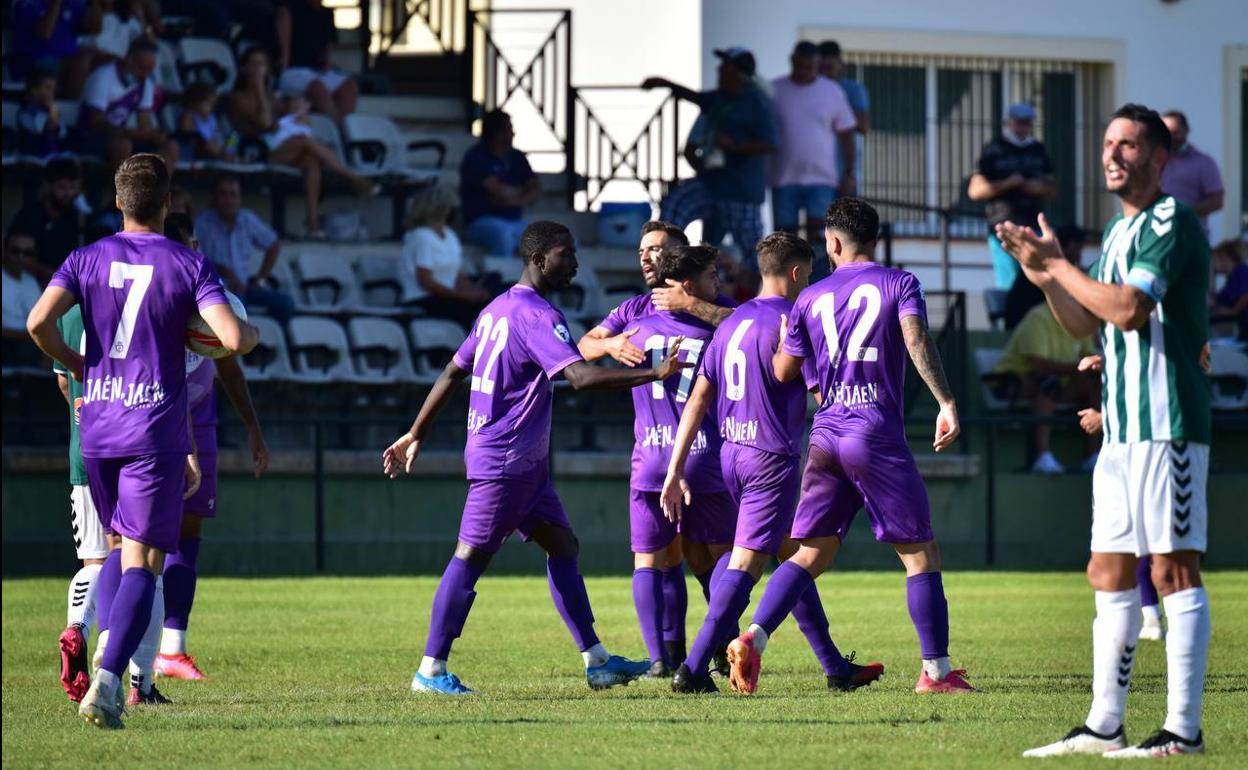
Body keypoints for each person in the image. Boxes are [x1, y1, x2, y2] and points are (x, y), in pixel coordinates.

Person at [381, 221, 691, 695]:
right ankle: (430, 669)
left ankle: (598, 661)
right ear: (540, 258)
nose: (575, 264)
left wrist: (415, 432)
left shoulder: (496, 309)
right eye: (567, 255)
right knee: (469, 558)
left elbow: (452, 370)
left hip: (524, 465)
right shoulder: (538, 316)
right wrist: (656, 372)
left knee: (563, 547)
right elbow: (582, 379)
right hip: (505, 460)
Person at [1000, 103, 1212, 758]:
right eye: (1108, 144)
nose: (1113, 154)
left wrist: (1060, 266)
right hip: (1120, 432)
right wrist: (1044, 275)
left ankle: (1183, 730)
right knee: (1108, 571)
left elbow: (1127, 309)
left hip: (1166, 425)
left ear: (1158, 158)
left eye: (1128, 145)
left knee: (1173, 571)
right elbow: (1081, 325)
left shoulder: (1171, 221)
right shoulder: (1118, 236)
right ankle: (1104, 723)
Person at [25, 153, 258, 729]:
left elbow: (35, 324)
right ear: (169, 202)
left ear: (117, 201)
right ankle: (107, 685)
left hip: (98, 427)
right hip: (153, 428)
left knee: (111, 550)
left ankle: (93, 640)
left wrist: (80, 362)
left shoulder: (85, 257)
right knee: (145, 560)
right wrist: (249, 333)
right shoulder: (188, 263)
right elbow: (230, 338)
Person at [724, 197, 973, 696]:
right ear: (873, 239)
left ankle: (754, 635)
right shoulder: (899, 283)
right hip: (874, 432)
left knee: (809, 553)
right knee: (921, 553)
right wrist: (945, 400)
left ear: (833, 243)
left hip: (826, 435)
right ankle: (937, 673)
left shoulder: (809, 299)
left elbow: (783, 371)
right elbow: (916, 338)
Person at [661, 231, 884, 695]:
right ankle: (694, 667)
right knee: (749, 562)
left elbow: (699, 399)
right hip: (770, 458)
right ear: (798, 272)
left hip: (731, 454)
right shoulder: (796, 320)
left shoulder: (732, 323)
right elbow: (821, 391)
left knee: (789, 554)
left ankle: (834, 667)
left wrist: (675, 468)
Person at [576, 220, 733, 667]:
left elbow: (745, 322)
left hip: (676, 454)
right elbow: (585, 345)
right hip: (692, 455)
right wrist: (608, 349)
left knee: (682, 556)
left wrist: (693, 305)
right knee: (694, 555)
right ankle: (693, 651)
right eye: (642, 250)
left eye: (657, 250)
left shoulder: (707, 307)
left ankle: (691, 652)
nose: (646, 257)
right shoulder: (632, 311)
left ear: (680, 258)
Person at [154, 213, 269, 681]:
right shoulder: (157, 303)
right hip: (153, 416)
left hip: (199, 416)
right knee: (141, 538)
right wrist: (186, 450)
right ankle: (116, 645)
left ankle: (172, 648)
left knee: (189, 527)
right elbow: (172, 376)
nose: (189, 255)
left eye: (193, 246)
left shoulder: (210, 295)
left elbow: (228, 365)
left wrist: (253, 428)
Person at [618, 245, 736, 677]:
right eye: (711, 276)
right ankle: (726, 644)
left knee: (647, 561)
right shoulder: (716, 332)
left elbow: (590, 348)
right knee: (725, 555)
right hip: (704, 456)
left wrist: (610, 343)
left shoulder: (635, 329)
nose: (718, 283)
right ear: (689, 285)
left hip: (649, 458)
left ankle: (658, 660)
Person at [644, 47, 776, 289]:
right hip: (711, 185)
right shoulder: (719, 98)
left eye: (724, 66)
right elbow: (694, 97)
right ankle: (665, 271)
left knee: (755, 255)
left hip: (741, 192)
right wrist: (666, 84)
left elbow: (769, 143)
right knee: (676, 203)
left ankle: (761, 302)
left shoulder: (756, 103)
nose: (718, 70)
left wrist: (735, 146)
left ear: (739, 73)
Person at [228, 48, 376, 237]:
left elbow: (286, 119)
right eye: (254, 64)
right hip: (253, 151)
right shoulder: (238, 98)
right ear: (245, 69)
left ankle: (312, 224)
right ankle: (351, 177)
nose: (259, 69)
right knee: (304, 141)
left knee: (311, 162)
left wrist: (302, 117)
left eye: (262, 64)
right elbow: (265, 123)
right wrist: (259, 89)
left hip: (278, 148)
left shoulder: (273, 97)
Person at [50, 303, 111, 704]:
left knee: (94, 560)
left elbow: (62, 384)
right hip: (130, 450)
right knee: (135, 562)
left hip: (83, 451)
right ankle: (123, 666)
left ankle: (77, 628)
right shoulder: (124, 306)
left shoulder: (68, 318)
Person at [989, 288, 1099, 474]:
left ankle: (1092, 455)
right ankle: (1042, 456)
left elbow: (1089, 357)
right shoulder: (1038, 316)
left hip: (1059, 381)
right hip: (1011, 383)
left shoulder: (1081, 321)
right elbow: (1039, 365)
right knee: (1048, 383)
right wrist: (1078, 367)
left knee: (1094, 384)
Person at [770, 41, 857, 262]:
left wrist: (848, 172)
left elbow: (847, 134)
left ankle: (816, 285)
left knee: (820, 238)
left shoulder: (832, 91)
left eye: (809, 67)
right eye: (800, 66)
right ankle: (785, 289)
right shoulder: (775, 89)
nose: (804, 71)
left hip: (821, 180)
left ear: (816, 65)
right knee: (783, 241)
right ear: (792, 62)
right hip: (783, 179)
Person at [968, 103, 1057, 289]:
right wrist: (1007, 184)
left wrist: (1032, 187)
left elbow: (1052, 187)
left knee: (1037, 282)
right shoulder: (994, 150)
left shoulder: (1037, 150)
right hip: (1003, 227)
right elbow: (975, 190)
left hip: (1033, 227)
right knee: (1009, 284)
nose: (1023, 127)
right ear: (1010, 123)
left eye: (1027, 123)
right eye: (1019, 122)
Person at [194, 175, 296, 323]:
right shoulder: (202, 223)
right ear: (214, 197)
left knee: (286, 303)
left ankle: (270, 343)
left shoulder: (246, 219)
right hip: (216, 292)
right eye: (223, 195)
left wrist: (260, 279)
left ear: (240, 198)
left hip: (244, 287)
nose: (229, 200)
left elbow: (274, 244)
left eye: (233, 195)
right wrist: (222, 271)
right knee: (239, 305)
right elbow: (194, 259)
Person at [74, 37, 179, 171]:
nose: (145, 75)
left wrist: (152, 135)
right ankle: (120, 191)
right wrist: (127, 133)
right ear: (129, 59)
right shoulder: (103, 77)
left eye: (149, 70)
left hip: (123, 135)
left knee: (170, 146)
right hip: (90, 136)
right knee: (123, 145)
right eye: (142, 68)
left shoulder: (145, 83)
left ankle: (159, 191)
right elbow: (96, 121)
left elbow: (144, 121)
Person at [399, 185, 490, 331]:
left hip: (448, 296)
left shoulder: (450, 235)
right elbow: (425, 281)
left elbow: (458, 274)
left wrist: (473, 291)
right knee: (468, 311)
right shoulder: (422, 236)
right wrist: (462, 296)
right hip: (424, 298)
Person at [459, 110, 541, 258]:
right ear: (497, 133)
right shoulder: (476, 156)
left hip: (515, 221)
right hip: (482, 221)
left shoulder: (517, 157)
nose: (513, 134)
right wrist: (523, 192)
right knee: (503, 236)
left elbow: (535, 189)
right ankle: (504, 279)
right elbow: (497, 190)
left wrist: (515, 199)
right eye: (509, 129)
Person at [275, 0, 358, 124]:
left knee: (350, 86)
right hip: (294, 70)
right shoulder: (288, 9)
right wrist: (283, 65)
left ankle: (345, 126)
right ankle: (337, 128)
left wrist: (328, 64)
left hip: (318, 71)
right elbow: (283, 47)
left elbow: (328, 46)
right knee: (318, 88)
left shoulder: (327, 14)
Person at [11, 158, 86, 282]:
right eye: (61, 187)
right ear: (47, 186)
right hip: (28, 281)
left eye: (72, 187)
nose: (68, 193)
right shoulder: (30, 216)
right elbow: (19, 258)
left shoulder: (75, 217)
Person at [10, 0, 101, 96]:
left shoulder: (72, 3)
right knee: (82, 61)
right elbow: (45, 33)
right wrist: (56, 3)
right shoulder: (26, 3)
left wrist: (94, 2)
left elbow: (95, 29)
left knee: (106, 60)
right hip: (34, 63)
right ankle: (72, 105)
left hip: (67, 61)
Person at [1005, 225, 1084, 331]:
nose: (1080, 257)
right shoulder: (1052, 267)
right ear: (1071, 245)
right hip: (1027, 325)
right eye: (1078, 249)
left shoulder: (1043, 261)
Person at [1159, 111, 1224, 239]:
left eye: (1175, 132)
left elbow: (1217, 201)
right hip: (1160, 236)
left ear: (1186, 130)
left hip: (1191, 237)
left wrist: (1183, 213)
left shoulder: (1203, 162)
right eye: (1166, 133)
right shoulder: (1157, 161)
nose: (1171, 137)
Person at [816, 40, 868, 198]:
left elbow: (863, 125)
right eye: (821, 69)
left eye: (829, 68)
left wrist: (835, 99)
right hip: (815, 177)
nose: (825, 73)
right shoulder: (811, 91)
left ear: (840, 66)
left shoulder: (853, 89)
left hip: (843, 174)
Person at [3, 229, 46, 369]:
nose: (21, 257)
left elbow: (42, 321)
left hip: (30, 346)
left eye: (27, 253)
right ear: (5, 251)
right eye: (15, 251)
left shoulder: (31, 282)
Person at [176, 82, 239, 162]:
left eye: (212, 105)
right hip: (199, 149)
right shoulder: (189, 116)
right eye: (208, 105)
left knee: (234, 136)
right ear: (195, 102)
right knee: (211, 147)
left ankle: (231, 155)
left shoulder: (210, 118)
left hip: (215, 146)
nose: (210, 109)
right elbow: (187, 135)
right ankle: (227, 157)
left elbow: (215, 132)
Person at [17, 69, 67, 158]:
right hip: (33, 159)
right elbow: (44, 130)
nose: (52, 93)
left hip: (56, 157)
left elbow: (62, 133)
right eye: (48, 88)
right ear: (34, 90)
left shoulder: (53, 111)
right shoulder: (25, 113)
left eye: (53, 89)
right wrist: (53, 110)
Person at [1211, 238, 1248, 340]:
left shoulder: (1240, 271)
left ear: (1225, 259)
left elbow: (1245, 295)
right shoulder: (1231, 279)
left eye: (1216, 260)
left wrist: (1233, 311)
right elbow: (1217, 300)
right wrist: (1212, 276)